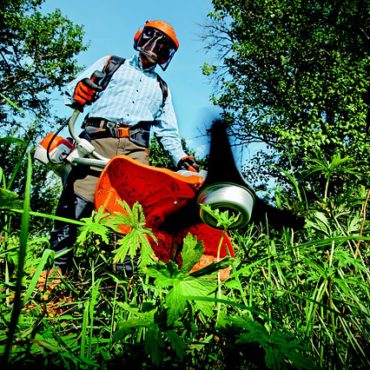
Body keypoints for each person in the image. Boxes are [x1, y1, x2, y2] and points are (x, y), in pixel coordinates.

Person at [49, 20, 199, 273]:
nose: (155, 48)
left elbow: (168, 132)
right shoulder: (112, 64)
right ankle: (55, 272)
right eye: (152, 39)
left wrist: (181, 158)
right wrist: (79, 90)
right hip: (98, 140)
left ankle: (123, 280)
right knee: (76, 203)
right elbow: (71, 90)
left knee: (134, 214)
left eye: (163, 46)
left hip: (135, 150)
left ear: (167, 55)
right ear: (140, 37)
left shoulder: (162, 88)